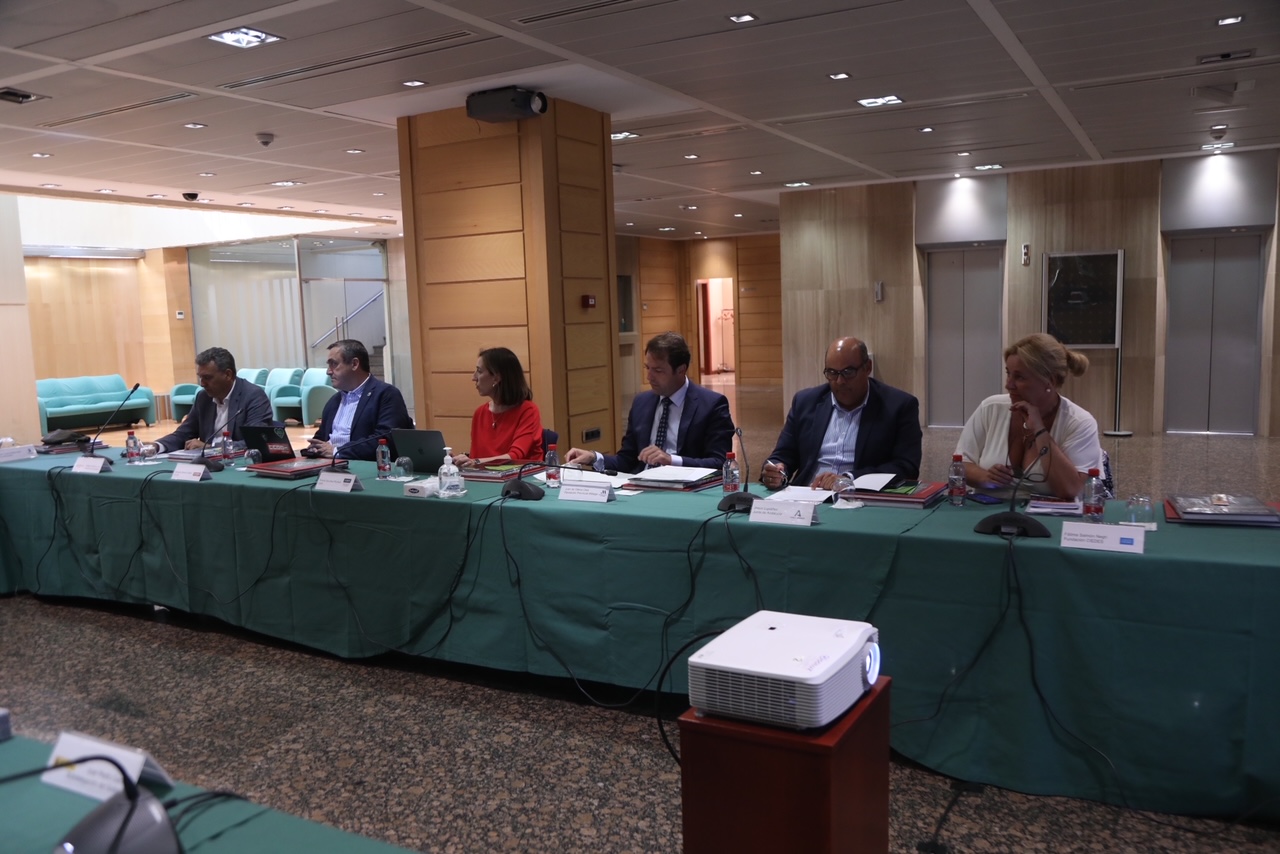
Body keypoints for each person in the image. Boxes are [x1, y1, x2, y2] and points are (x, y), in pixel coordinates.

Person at [761, 337, 921, 491]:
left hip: (858, 498)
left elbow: (906, 467)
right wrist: (777, 470)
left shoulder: (899, 406)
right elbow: (783, 454)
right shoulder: (805, 402)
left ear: (867, 368)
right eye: (832, 373)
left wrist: (849, 478)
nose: (840, 381)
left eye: (848, 372)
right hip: (807, 494)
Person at [956, 332, 1102, 500]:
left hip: (1047, 515)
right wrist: (985, 477)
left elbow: (1070, 491)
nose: (1008, 384)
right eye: (1008, 374)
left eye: (1019, 377)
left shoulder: (1080, 422)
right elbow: (960, 464)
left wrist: (1040, 430)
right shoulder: (991, 408)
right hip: (988, 510)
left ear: (1050, 381)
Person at [565, 331, 734, 474]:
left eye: (658, 370)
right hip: (641, 487)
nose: (649, 377)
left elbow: (719, 463)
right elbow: (627, 460)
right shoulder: (642, 402)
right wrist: (594, 457)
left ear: (681, 370)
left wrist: (671, 460)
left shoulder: (711, 405)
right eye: (648, 368)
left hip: (687, 490)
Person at [152, 347, 271, 453]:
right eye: (200, 377)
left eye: (207, 378)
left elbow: (256, 441)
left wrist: (211, 447)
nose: (202, 384)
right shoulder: (203, 397)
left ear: (228, 375)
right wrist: (156, 446)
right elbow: (183, 434)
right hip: (209, 464)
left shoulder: (253, 396)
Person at [309, 339, 413, 461]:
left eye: (334, 364)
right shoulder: (334, 401)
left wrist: (337, 451)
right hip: (329, 465)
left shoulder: (386, 395)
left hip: (364, 466)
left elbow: (386, 439)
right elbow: (321, 438)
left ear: (354, 364)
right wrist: (313, 449)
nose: (328, 371)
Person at [452, 347, 544, 467]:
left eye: (479, 371)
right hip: (486, 476)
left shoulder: (528, 411)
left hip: (521, 477)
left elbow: (515, 457)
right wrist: (459, 461)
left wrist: (475, 462)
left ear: (496, 377)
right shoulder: (480, 413)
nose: (473, 378)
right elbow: (476, 457)